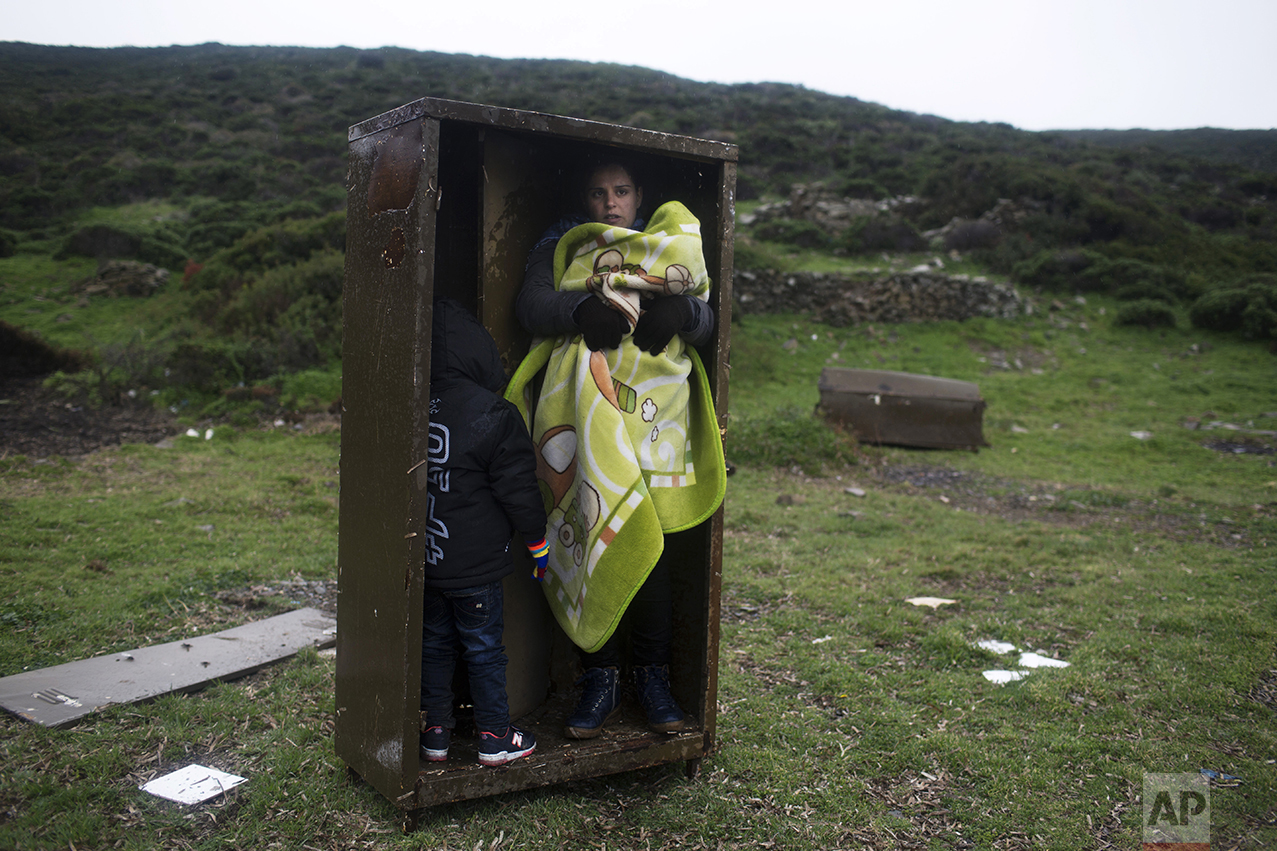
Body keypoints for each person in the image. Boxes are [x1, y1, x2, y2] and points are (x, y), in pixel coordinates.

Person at [514, 161, 716, 739]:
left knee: (652, 547)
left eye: (621, 191)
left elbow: (708, 313)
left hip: (656, 424)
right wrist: (580, 310)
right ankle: (598, 678)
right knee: (587, 541)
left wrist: (683, 313)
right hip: (587, 418)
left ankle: (651, 678)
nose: (610, 204)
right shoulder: (563, 241)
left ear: (640, 196)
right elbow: (530, 304)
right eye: (598, 192)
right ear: (583, 197)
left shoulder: (664, 244)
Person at [418, 299, 551, 767]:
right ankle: (495, 736)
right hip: (476, 570)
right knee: (484, 649)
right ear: (480, 355)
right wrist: (539, 545)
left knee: (434, 645)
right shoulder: (494, 414)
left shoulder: (412, 409)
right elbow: (520, 493)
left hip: (429, 563)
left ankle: (435, 733)